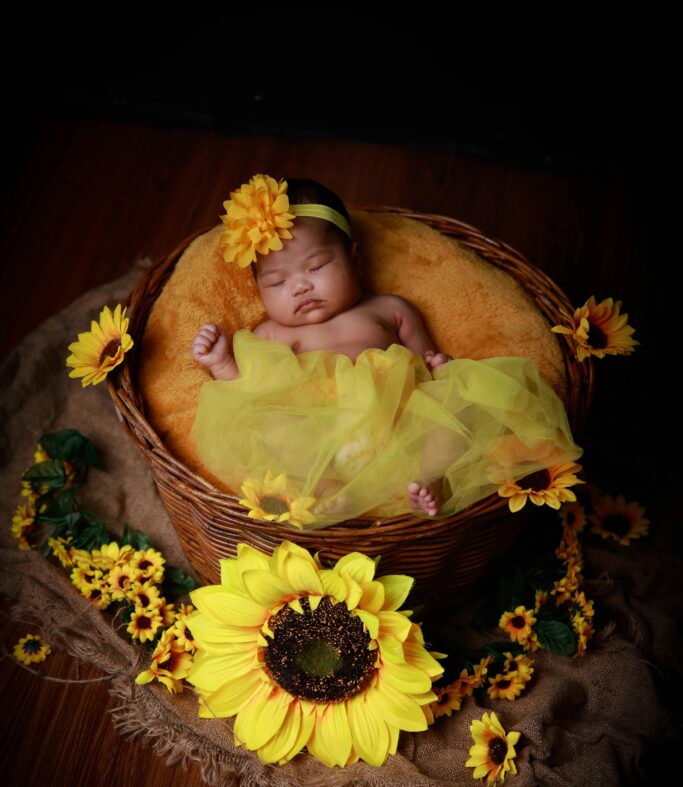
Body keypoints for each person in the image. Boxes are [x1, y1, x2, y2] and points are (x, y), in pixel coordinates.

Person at [191, 174, 581, 528]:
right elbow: (250, 393)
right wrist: (223, 362)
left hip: (399, 429)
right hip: (320, 435)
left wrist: (440, 367)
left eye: (316, 266)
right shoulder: (270, 334)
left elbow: (432, 365)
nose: (300, 287)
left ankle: (431, 479)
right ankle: (327, 487)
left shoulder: (389, 311)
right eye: (277, 282)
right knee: (273, 422)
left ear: (354, 259)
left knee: (458, 400)